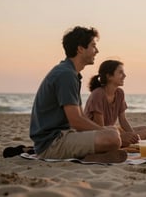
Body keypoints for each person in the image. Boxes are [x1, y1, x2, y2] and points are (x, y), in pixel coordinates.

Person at [29, 26, 127, 163]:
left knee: (112, 131)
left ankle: (92, 157)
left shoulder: (71, 73)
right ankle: (91, 156)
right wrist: (102, 131)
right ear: (80, 49)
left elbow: (80, 116)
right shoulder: (66, 75)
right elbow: (76, 121)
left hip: (62, 136)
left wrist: (105, 130)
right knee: (112, 138)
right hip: (52, 144)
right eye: (93, 46)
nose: (97, 51)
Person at [84, 60, 146, 147]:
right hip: (97, 134)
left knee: (145, 130)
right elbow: (100, 128)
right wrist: (121, 136)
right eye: (120, 73)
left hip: (111, 131)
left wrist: (133, 135)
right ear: (109, 76)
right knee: (118, 136)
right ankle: (119, 142)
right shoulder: (98, 94)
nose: (124, 75)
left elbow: (123, 120)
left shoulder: (119, 93)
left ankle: (121, 142)